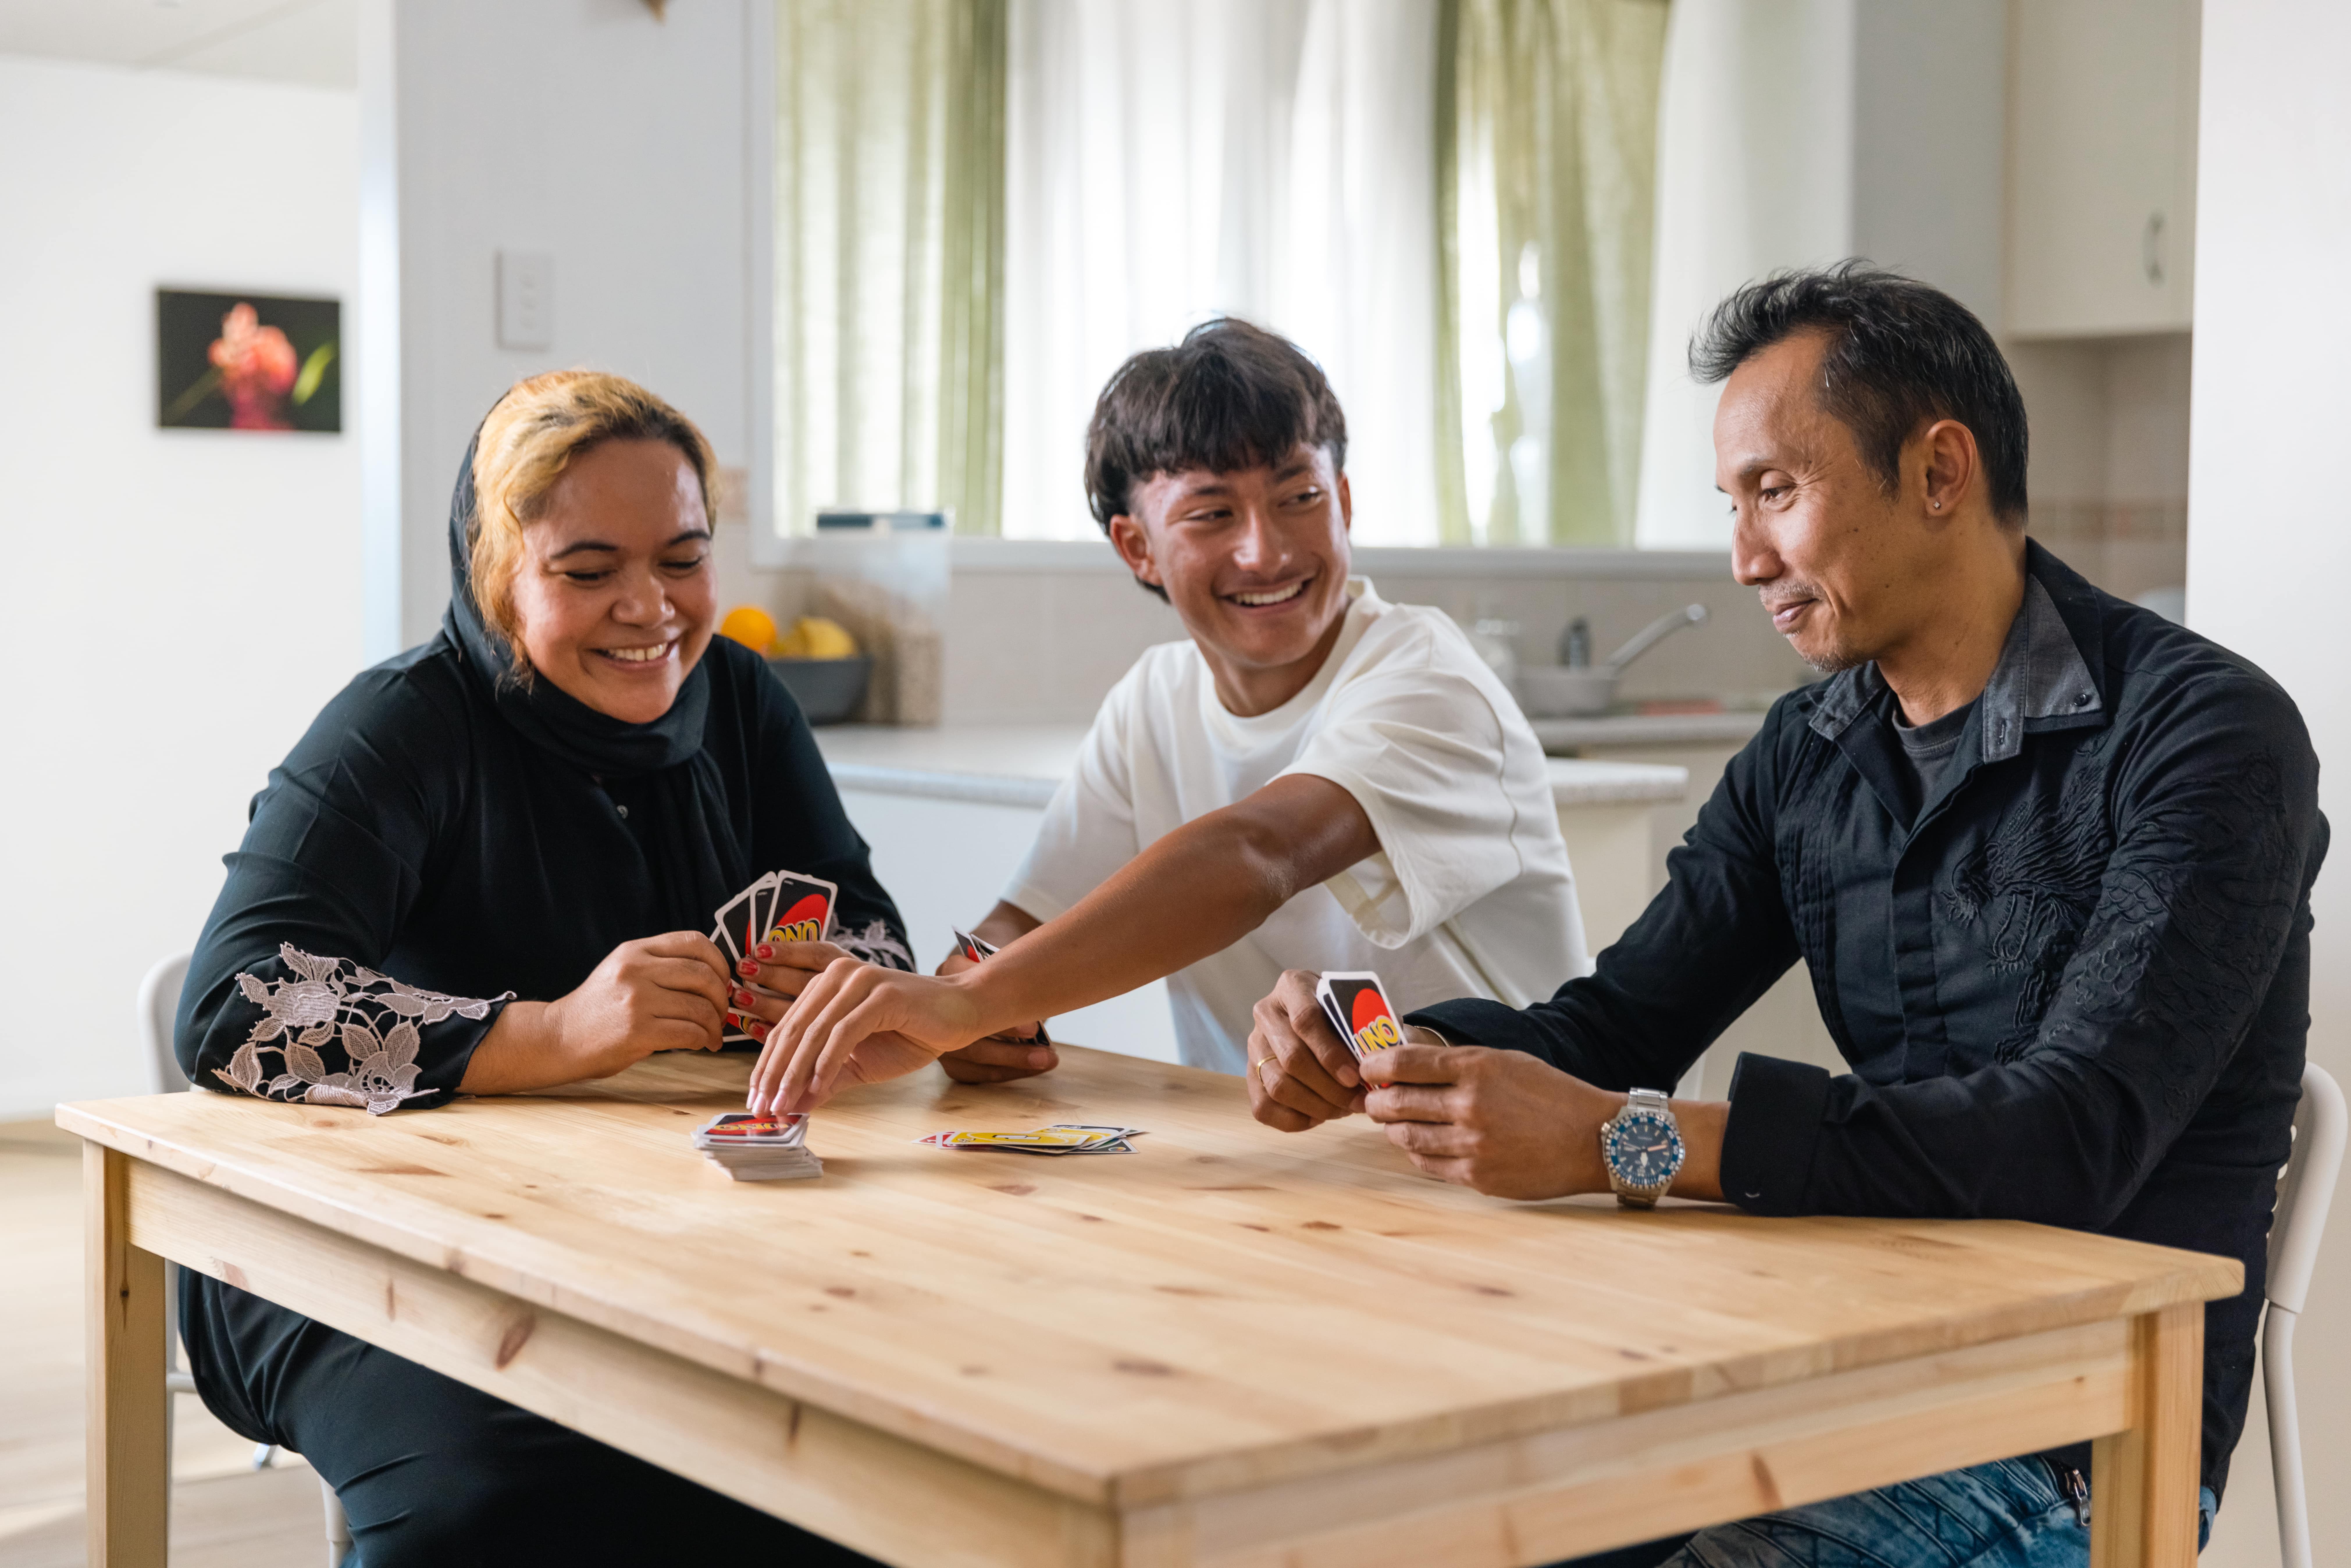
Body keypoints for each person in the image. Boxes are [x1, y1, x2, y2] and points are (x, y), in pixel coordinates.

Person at [1248, 263, 2323, 1567]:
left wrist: (1626, 1145)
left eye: (1776, 491)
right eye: (1733, 502)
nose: (1746, 557)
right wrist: (1389, 1055)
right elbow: (1617, 1023)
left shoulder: (2204, 737)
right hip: (1830, 1361)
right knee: (1406, 1521)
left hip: (2079, 1431)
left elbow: (2069, 1135)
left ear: (1937, 473)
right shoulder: (1807, 751)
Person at [175, 371, 900, 1566]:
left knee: (847, 1466)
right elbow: (235, 1003)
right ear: (494, 568)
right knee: (501, 1503)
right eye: (587, 570)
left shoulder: (742, 702)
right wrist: (555, 1033)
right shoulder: (402, 724)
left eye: (682, 558)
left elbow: (871, 928)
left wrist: (834, 982)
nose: (649, 608)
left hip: (652, 1228)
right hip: (356, 1241)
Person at [740, 318, 1585, 1115]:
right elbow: (1024, 920)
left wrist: (966, 1004)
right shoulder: (1154, 697)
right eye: (1213, 514)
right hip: (1288, 1160)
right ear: (1135, 547)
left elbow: (1258, 851)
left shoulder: (1427, 679)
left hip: (1511, 1152)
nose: (1267, 550)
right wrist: (969, 1003)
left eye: (1299, 497)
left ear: (1346, 502)